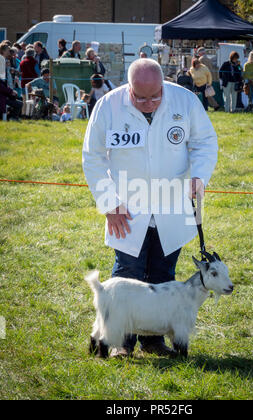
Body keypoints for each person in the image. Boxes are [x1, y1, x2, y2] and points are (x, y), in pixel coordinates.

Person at [82, 58, 218, 358]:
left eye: (155, 96)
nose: (148, 103)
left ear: (163, 85)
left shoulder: (184, 100)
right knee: (127, 275)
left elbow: (205, 142)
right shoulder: (108, 106)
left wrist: (199, 176)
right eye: (139, 97)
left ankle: (153, 340)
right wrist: (109, 203)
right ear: (128, 86)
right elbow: (92, 157)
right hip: (126, 207)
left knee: (163, 273)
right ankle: (121, 343)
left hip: (172, 204)